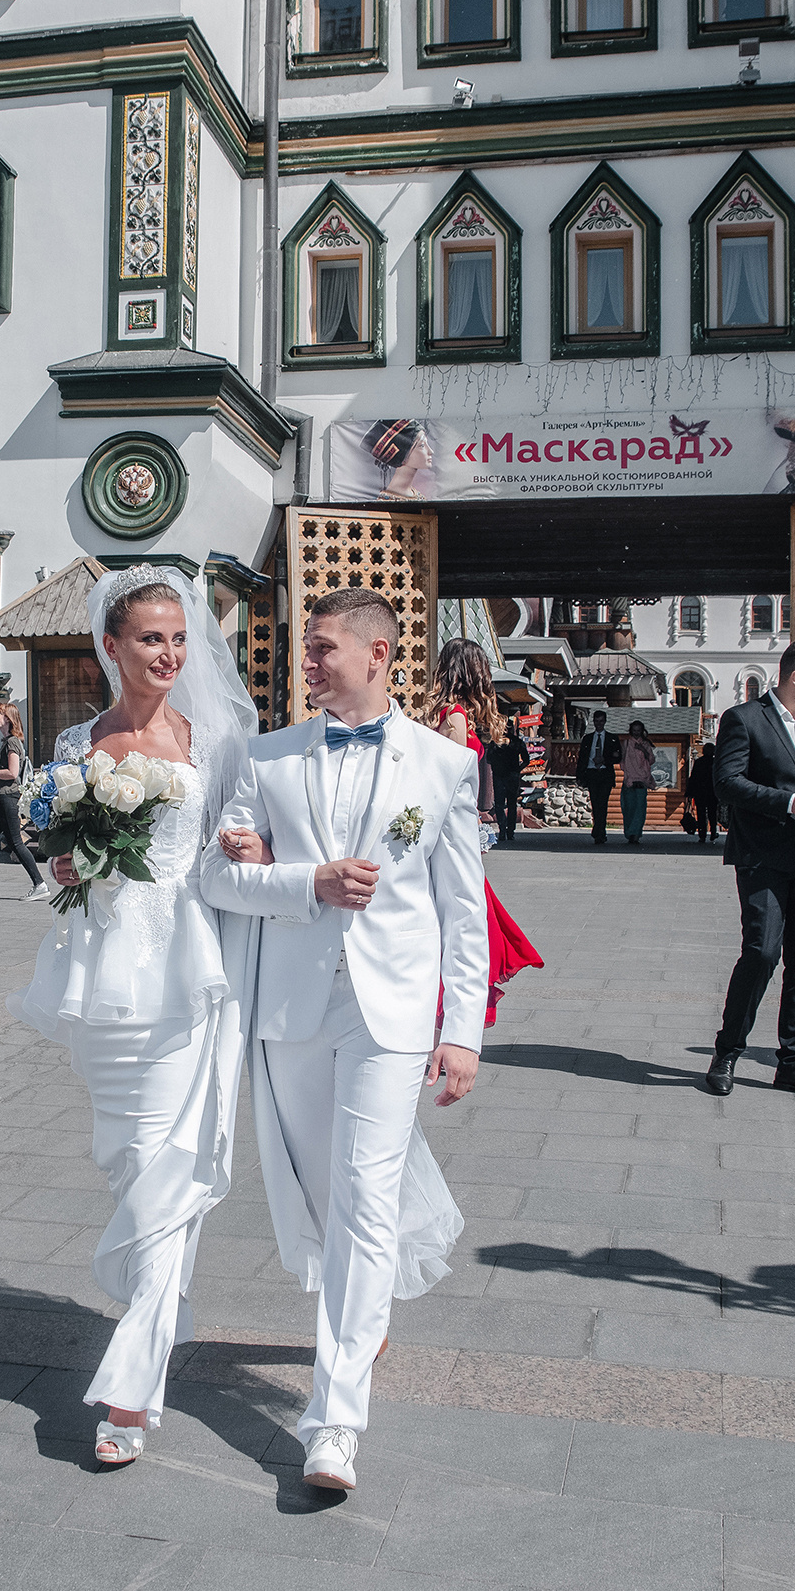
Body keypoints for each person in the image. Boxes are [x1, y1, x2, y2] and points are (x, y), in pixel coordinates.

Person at [202, 587, 484, 1493]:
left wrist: (463, 1028)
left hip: (391, 1014)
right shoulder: (268, 757)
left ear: (377, 655)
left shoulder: (443, 765)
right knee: (327, 1193)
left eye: (322, 649)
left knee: (364, 1197)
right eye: (307, 648)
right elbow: (218, 875)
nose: (308, 662)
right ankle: (362, 1316)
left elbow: (462, 909)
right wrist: (303, 882)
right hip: (291, 1008)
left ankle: (334, 1420)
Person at [11, 567, 258, 1467]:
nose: (168, 653)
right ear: (110, 647)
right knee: (137, 1165)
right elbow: (52, 853)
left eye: (179, 638)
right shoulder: (79, 739)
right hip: (104, 976)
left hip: (188, 974)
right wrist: (63, 868)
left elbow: (246, 837)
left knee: (168, 1164)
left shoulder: (217, 739)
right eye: (150, 638)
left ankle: (128, 1390)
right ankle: (156, 1327)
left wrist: (250, 843)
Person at [704, 639, 795, 1100]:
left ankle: (794, 1062)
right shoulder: (744, 719)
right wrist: (789, 803)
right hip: (763, 857)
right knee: (762, 952)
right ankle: (727, 1051)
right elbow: (727, 784)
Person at [426, 637, 544, 1024]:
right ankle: (451, 1009)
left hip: (451, 825)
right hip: (453, 829)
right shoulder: (456, 717)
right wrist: (472, 829)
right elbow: (453, 782)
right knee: (468, 914)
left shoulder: (438, 712)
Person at [0, 701, 50, 902]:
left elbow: (13, 773)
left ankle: (39, 884)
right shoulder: (7, 742)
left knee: (15, 842)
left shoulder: (13, 742)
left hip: (8, 798)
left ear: (7, 719)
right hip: (1, 799)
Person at [579, 715, 618, 845]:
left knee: (603, 803)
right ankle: (599, 830)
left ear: (605, 722)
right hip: (592, 773)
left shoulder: (612, 738)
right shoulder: (588, 739)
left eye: (601, 721)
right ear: (593, 722)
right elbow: (582, 758)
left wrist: (604, 760)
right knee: (595, 803)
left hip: (605, 774)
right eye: (596, 721)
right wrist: (580, 776)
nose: (599, 724)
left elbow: (617, 757)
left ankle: (599, 832)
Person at [488, 720, 528, 842]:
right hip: (512, 776)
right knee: (512, 804)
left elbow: (488, 758)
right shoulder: (517, 742)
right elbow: (526, 759)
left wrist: (497, 765)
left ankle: (502, 830)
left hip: (499, 775)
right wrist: (518, 769)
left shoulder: (495, 742)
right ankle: (510, 831)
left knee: (499, 804)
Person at [619, 721, 655, 845]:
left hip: (641, 779)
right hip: (629, 779)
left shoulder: (645, 743)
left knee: (639, 808)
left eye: (638, 730)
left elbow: (651, 760)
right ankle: (629, 833)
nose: (636, 733)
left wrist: (643, 750)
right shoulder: (626, 743)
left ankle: (636, 834)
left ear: (642, 731)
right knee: (628, 807)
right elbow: (622, 761)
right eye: (634, 730)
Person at [690, 737, 721, 844]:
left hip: (700, 792)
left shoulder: (699, 762)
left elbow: (693, 778)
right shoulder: (716, 763)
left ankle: (702, 835)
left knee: (701, 814)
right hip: (712, 792)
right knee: (713, 813)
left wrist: (690, 792)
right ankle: (713, 832)